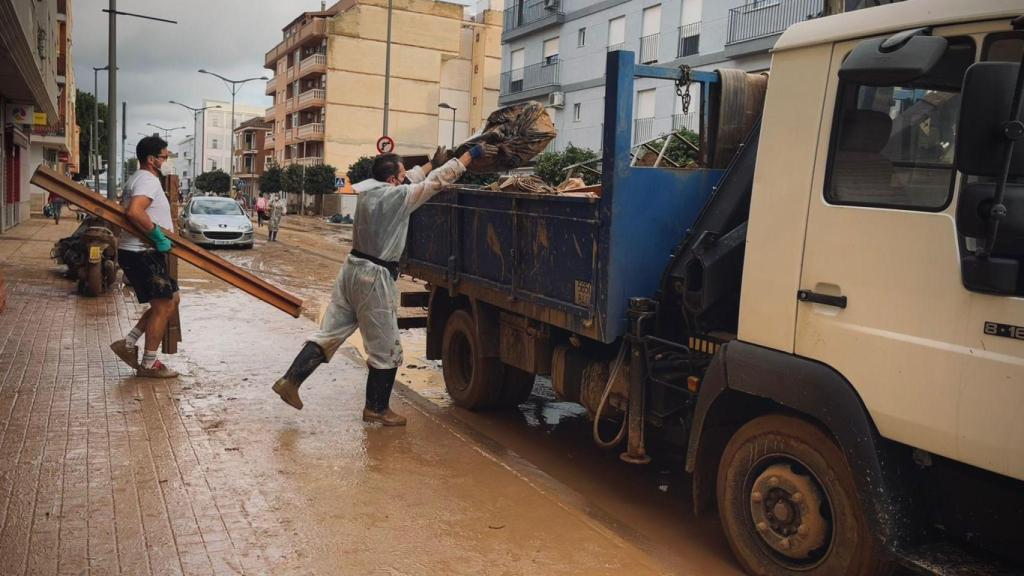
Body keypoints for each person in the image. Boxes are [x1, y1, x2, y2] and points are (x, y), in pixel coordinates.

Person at [272, 143, 493, 425]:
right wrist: (467, 157)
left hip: (351, 270)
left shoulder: (369, 192)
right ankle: (376, 408)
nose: (405, 179)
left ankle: (290, 381)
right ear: (392, 180)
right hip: (374, 278)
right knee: (387, 348)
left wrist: (429, 164)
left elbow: (414, 178)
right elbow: (438, 182)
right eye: (401, 175)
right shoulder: (397, 198)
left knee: (329, 333)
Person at [108, 135, 180, 378]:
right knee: (163, 305)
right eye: (164, 156)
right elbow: (134, 211)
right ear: (152, 160)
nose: (166, 160)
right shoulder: (147, 180)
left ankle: (129, 342)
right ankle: (149, 363)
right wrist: (157, 236)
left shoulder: (136, 179)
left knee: (173, 300)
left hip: (141, 252)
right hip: (142, 252)